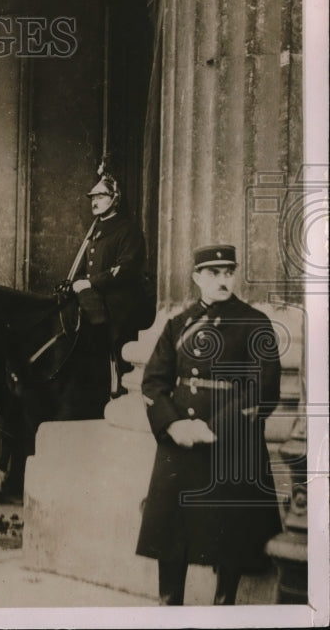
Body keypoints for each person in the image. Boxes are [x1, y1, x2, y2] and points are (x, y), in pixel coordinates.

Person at [136, 244, 283, 605]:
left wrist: (214, 428)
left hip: (229, 444)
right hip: (180, 442)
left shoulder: (255, 323)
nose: (222, 280)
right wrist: (174, 426)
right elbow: (154, 382)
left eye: (228, 272)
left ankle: (223, 608)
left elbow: (263, 389)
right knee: (171, 534)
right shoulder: (177, 324)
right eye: (213, 273)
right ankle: (170, 607)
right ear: (196, 278)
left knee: (228, 538)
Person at [65, 171, 150, 419]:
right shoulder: (96, 230)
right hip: (95, 298)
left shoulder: (127, 230)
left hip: (119, 304)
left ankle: (117, 387)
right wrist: (75, 283)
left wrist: (90, 283)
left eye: (101, 195)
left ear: (114, 198)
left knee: (108, 335)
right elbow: (83, 269)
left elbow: (124, 270)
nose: (94, 200)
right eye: (93, 196)